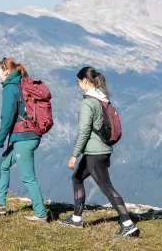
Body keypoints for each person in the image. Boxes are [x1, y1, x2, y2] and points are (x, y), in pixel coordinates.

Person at [59, 66, 140, 237]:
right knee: (78, 177)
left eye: (78, 81)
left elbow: (84, 132)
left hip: (95, 153)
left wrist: (74, 154)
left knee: (105, 186)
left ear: (85, 81)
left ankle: (128, 224)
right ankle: (76, 218)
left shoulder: (88, 102)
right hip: (101, 149)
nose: (78, 84)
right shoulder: (102, 98)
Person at [0, 57, 47, 223]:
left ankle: (40, 214)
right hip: (28, 136)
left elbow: (7, 117)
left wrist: (0, 140)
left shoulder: (10, 88)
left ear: (6, 72)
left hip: (24, 138)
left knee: (28, 177)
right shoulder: (22, 83)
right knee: (2, 164)